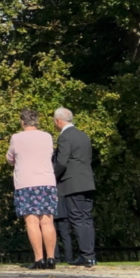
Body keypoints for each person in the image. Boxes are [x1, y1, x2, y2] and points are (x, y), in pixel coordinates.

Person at [6, 109, 58, 270]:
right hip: (46, 182)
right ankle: (51, 258)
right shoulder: (47, 136)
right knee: (47, 221)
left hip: (26, 183)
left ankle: (39, 258)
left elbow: (10, 158)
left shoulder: (16, 138)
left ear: (22, 122)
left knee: (32, 222)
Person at [53, 107, 96, 267]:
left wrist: (52, 176)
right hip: (87, 181)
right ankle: (90, 255)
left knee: (78, 219)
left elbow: (62, 162)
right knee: (86, 218)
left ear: (58, 120)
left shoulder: (65, 137)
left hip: (73, 183)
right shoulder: (83, 135)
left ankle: (86, 256)